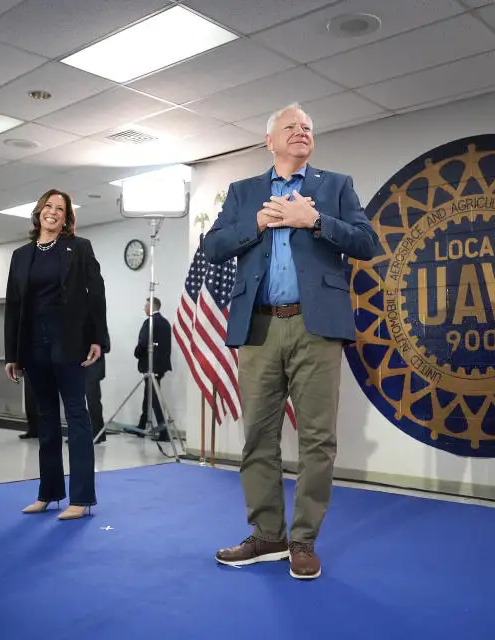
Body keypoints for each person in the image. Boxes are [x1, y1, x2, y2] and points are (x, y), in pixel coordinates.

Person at [203, 102, 380, 580]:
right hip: (258, 327)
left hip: (315, 327)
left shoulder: (335, 187)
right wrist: (256, 224)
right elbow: (213, 247)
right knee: (258, 437)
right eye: (291, 126)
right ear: (270, 141)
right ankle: (267, 536)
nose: (302, 131)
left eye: (308, 127)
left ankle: (302, 541)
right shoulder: (244, 193)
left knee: (317, 438)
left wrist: (314, 221)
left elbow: (367, 243)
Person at [3, 188, 107, 520]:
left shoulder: (78, 248)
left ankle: (81, 498)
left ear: (66, 218)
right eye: (48, 206)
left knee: (77, 416)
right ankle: (48, 493)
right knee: (45, 420)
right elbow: (14, 306)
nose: (53, 212)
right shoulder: (21, 255)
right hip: (33, 346)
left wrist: (97, 338)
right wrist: (12, 353)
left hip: (70, 343)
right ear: (38, 212)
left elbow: (96, 294)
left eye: (60, 209)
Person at [134, 296, 171, 440]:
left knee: (154, 398)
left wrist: (137, 354)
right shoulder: (165, 323)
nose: (144, 308)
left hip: (150, 365)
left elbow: (143, 343)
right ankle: (142, 426)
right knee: (148, 395)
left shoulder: (149, 323)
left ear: (152, 307)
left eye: (146, 305)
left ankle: (164, 432)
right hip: (160, 366)